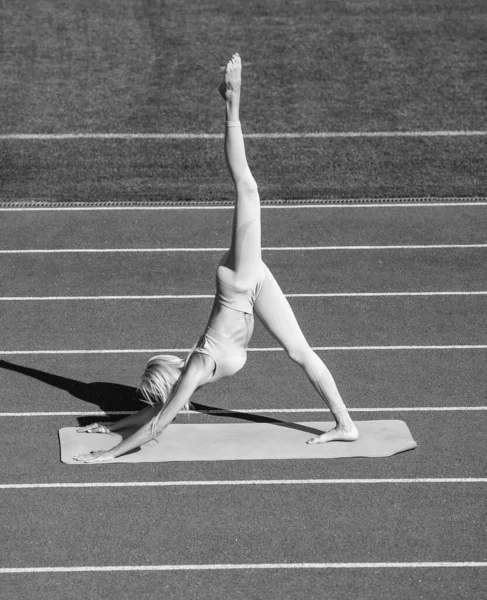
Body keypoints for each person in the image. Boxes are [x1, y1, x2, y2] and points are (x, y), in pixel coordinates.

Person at [74, 53, 358, 463]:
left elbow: (160, 412)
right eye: (168, 366)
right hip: (246, 284)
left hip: (241, 285)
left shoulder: (191, 371)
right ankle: (345, 425)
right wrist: (111, 443)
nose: (173, 359)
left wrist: (112, 438)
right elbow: (156, 422)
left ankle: (232, 102)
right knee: (247, 189)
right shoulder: (189, 374)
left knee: (248, 188)